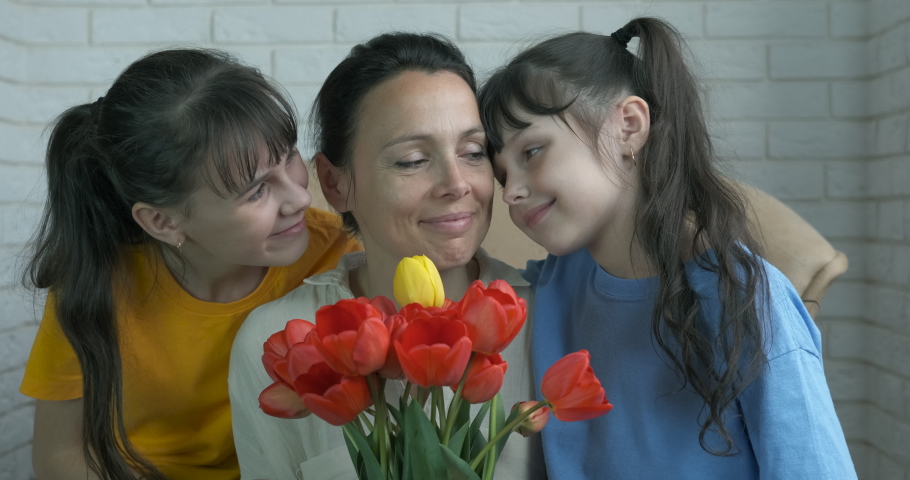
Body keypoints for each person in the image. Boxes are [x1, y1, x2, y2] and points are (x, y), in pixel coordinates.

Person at [478, 18, 856, 480]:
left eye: (532, 151)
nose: (511, 192)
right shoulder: (553, 283)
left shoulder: (747, 301)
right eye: (502, 175)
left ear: (628, 126)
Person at [19, 49, 361, 480]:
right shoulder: (97, 281)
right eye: (256, 191)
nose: (301, 197)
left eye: (289, 156)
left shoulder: (338, 257)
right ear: (163, 222)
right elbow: (59, 454)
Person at [228, 33, 545, 480]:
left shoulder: (548, 317)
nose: (457, 183)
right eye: (412, 160)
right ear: (336, 184)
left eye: (474, 152)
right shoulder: (281, 341)